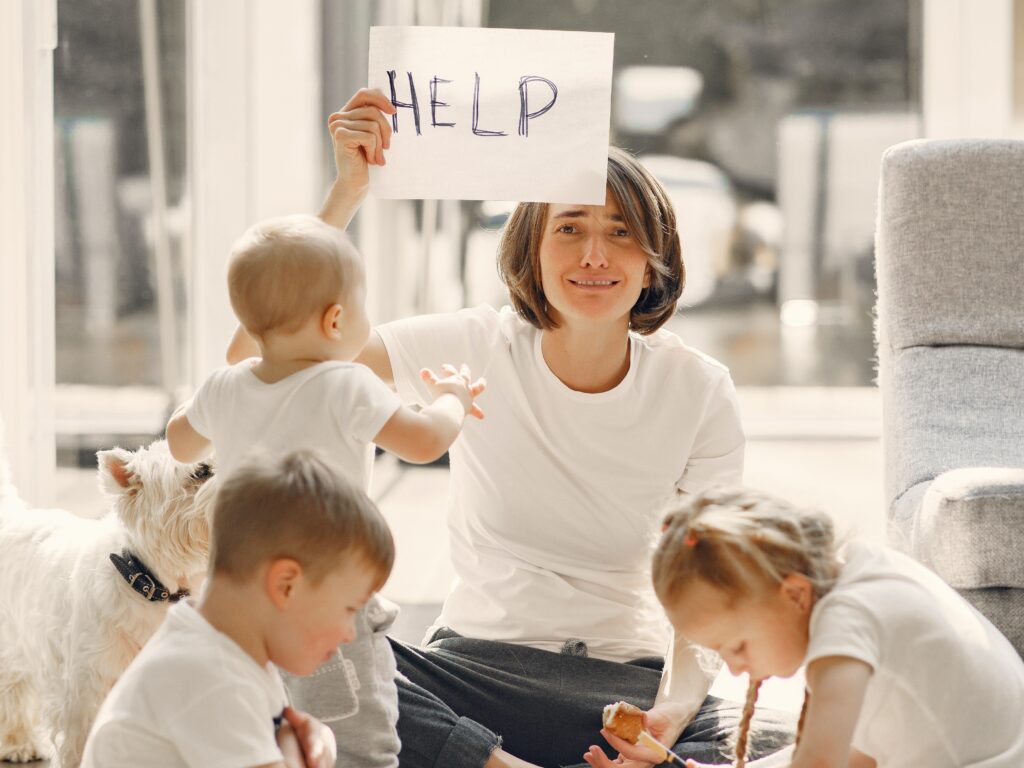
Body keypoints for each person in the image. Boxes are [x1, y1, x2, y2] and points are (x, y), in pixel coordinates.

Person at [263, 87, 794, 768]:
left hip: (622, 689)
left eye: (620, 231)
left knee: (789, 740)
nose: (595, 255)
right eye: (570, 227)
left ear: (653, 258)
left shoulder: (699, 388)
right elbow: (278, 347)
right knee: (312, 649)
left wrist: (671, 716)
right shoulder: (480, 343)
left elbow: (713, 580)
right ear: (532, 252)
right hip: (471, 676)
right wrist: (347, 191)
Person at [165, 213, 484, 768]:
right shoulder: (347, 383)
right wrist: (453, 395)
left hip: (239, 598)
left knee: (264, 727)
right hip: (325, 596)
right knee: (357, 736)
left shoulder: (223, 387)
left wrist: (204, 404)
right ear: (337, 319)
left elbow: (178, 444)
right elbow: (426, 440)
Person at [623, 485, 1024, 767]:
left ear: (795, 594)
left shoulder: (845, 629)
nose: (734, 668)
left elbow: (819, 764)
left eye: (737, 645)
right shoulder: (868, 576)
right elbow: (858, 755)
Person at [82, 450, 396, 768]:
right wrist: (314, 754)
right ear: (285, 585)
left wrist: (305, 740)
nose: (349, 633)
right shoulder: (210, 678)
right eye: (348, 609)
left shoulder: (217, 650)